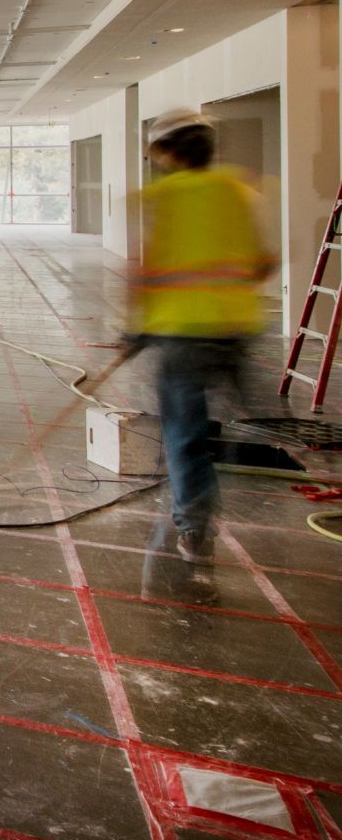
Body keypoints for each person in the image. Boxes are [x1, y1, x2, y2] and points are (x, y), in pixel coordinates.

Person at [130, 107, 277, 565]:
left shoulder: (161, 197)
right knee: (240, 419)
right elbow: (264, 263)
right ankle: (215, 491)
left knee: (183, 432)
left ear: (166, 153)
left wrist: (137, 325)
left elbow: (146, 270)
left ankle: (195, 527)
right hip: (238, 329)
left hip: (181, 334)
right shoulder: (243, 191)